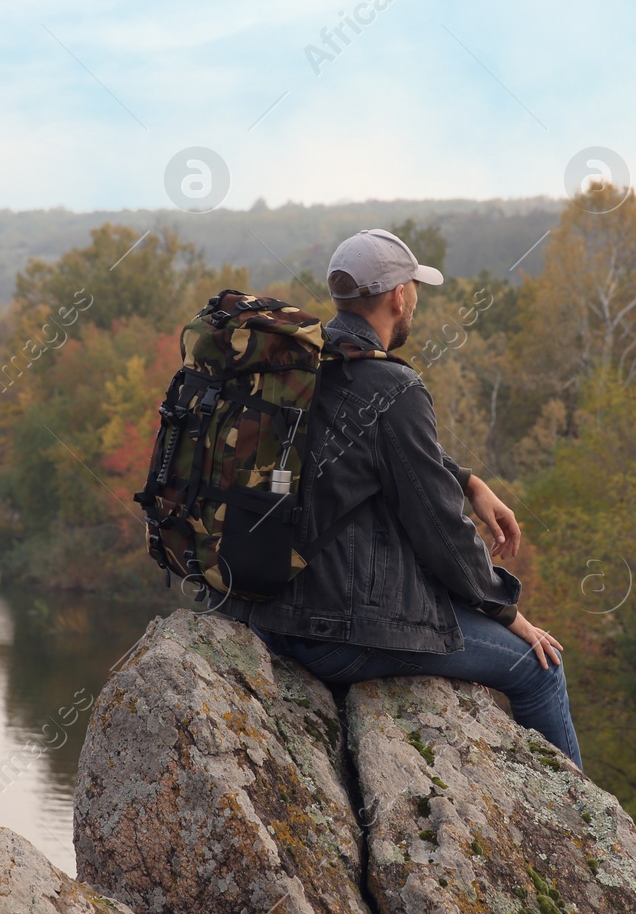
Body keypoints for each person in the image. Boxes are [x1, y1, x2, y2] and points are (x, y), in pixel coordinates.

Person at [219, 228, 582, 767]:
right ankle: (590, 843)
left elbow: (372, 459)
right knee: (539, 668)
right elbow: (441, 531)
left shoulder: (304, 364)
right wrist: (506, 611)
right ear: (398, 296)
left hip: (263, 612)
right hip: (335, 632)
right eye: (414, 287)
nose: (414, 298)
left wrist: (467, 481)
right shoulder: (393, 387)